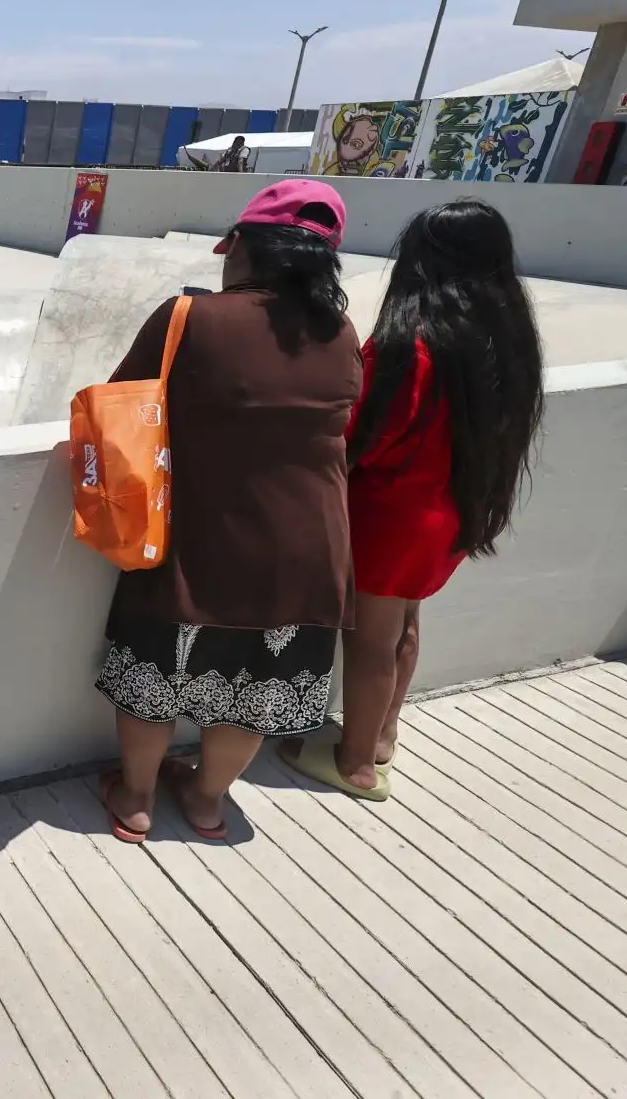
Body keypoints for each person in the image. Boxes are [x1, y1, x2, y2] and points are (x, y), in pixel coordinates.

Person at [94, 179, 362, 841]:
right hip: (309, 549)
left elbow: (118, 401)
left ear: (239, 246)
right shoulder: (342, 331)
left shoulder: (192, 318)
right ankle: (208, 802)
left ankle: (135, 798)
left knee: (157, 673)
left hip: (200, 537)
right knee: (256, 689)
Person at [281, 199, 544, 800]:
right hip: (450, 514)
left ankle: (356, 767)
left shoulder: (409, 347)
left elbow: (362, 438)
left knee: (370, 640)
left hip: (390, 520)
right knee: (403, 628)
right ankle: (380, 736)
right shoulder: (505, 344)